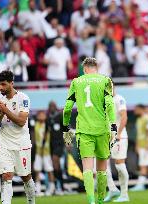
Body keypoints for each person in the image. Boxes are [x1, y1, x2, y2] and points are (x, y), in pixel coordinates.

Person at [62, 57, 117, 204]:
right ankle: (100, 200)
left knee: (87, 167)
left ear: (84, 69)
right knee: (102, 168)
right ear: (96, 67)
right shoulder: (106, 80)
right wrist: (113, 126)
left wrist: (65, 128)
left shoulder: (76, 82)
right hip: (102, 129)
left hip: (84, 130)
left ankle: (91, 201)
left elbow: (67, 108)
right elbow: (110, 104)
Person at [0, 70, 35, 204]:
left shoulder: (23, 98)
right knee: (6, 176)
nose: (1, 88)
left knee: (26, 177)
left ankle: (31, 201)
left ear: (11, 83)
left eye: (3, 84)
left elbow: (21, 122)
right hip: (5, 145)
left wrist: (5, 110)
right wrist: (1, 113)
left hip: (22, 144)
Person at [104, 92, 129, 202]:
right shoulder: (103, 101)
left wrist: (118, 133)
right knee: (101, 162)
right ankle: (112, 189)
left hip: (120, 137)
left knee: (119, 165)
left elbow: (124, 116)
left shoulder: (119, 99)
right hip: (108, 137)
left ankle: (124, 194)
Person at [33, 110, 55, 196]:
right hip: (38, 152)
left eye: (43, 115)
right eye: (40, 115)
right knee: (37, 171)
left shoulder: (48, 125)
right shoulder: (35, 125)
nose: (42, 116)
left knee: (49, 170)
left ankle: (52, 189)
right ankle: (38, 190)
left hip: (47, 152)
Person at [46, 101, 65, 194]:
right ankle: (59, 186)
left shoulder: (60, 116)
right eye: (50, 106)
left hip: (60, 143)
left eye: (53, 106)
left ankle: (60, 186)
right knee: (55, 166)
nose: (52, 107)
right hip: (51, 144)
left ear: (56, 107)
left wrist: (68, 142)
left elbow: (65, 128)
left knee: (55, 160)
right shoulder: (48, 118)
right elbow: (46, 131)